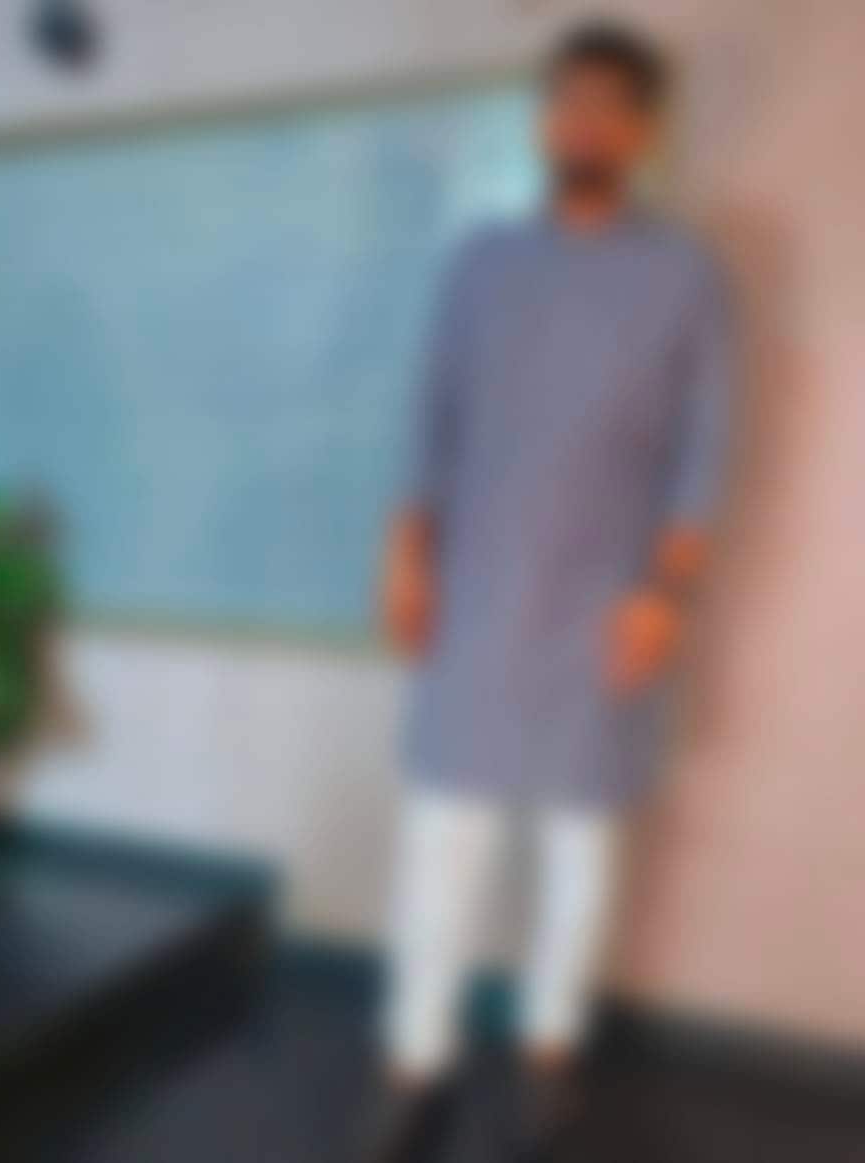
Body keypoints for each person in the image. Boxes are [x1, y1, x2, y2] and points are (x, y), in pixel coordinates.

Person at [369, 21, 734, 1163]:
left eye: (610, 106)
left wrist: (663, 592)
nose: (584, 123)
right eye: (566, 101)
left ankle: (546, 1050)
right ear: (542, 120)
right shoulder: (479, 261)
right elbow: (430, 416)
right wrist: (406, 552)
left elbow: (705, 448)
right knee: (442, 848)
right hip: (477, 594)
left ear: (642, 131)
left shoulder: (684, 277)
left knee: (581, 859)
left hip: (603, 605)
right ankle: (414, 1059)